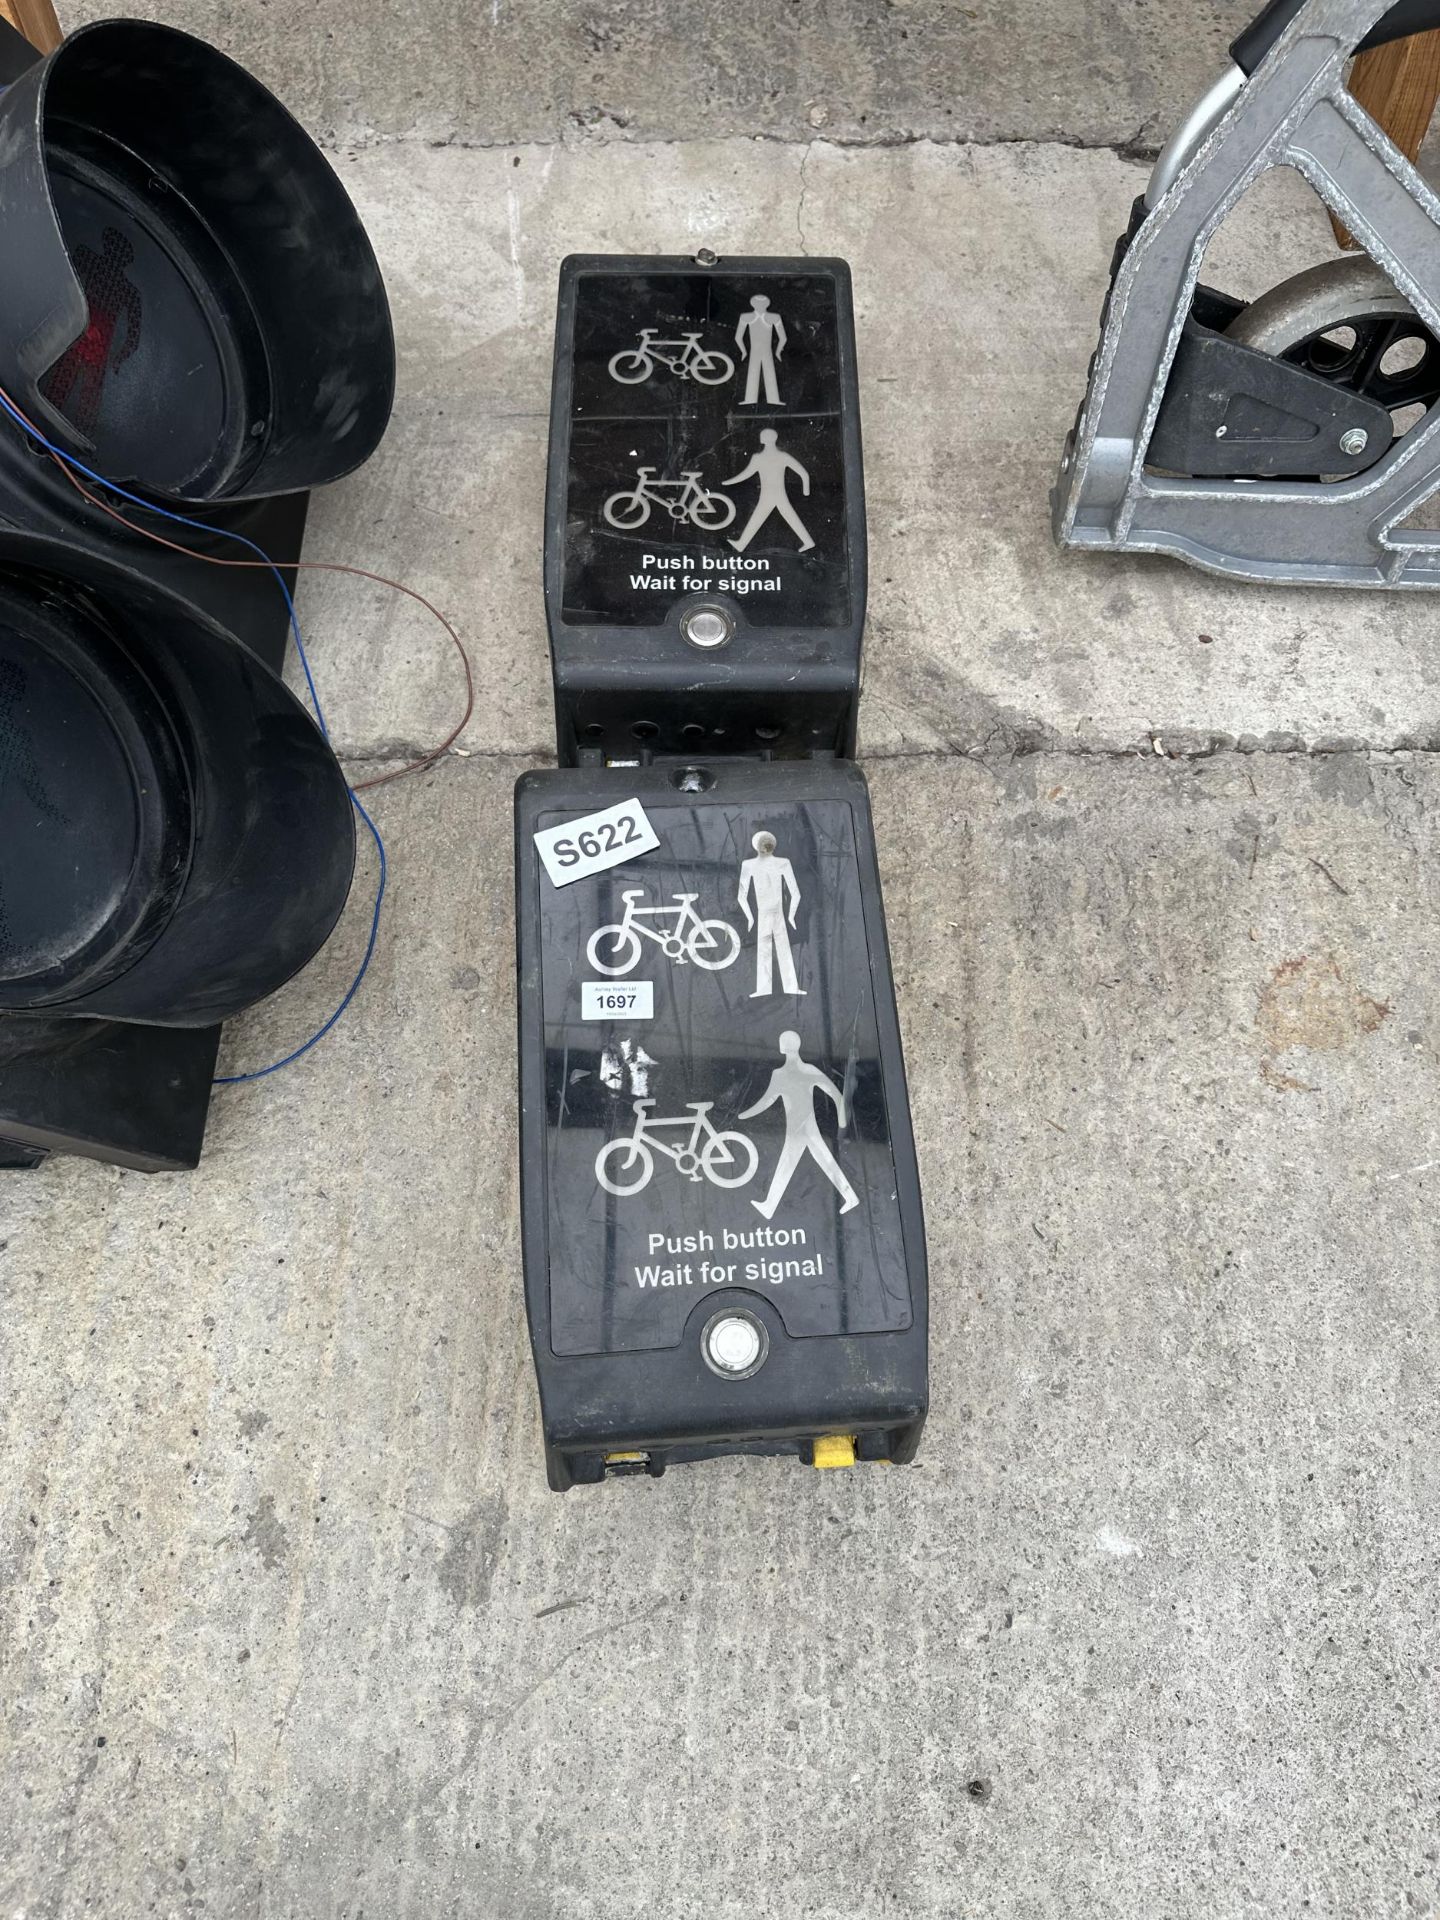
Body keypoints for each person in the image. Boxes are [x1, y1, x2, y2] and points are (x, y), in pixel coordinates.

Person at [740, 1031, 859, 1220]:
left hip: (801, 1128)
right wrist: (842, 1118)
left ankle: (769, 1207)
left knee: (794, 1164)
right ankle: (850, 1197)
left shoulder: (782, 1074)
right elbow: (836, 1094)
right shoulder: (807, 1070)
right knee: (816, 1162)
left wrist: (743, 1115)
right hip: (800, 1128)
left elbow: (766, 1102)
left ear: (782, 1047)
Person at [737, 829, 804, 998]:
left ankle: (766, 988)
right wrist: (791, 915)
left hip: (765, 912)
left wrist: (749, 917)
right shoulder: (782, 863)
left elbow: (741, 897)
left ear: (755, 846)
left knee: (765, 949)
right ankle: (788, 986)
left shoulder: (749, 865)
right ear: (773, 845)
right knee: (782, 948)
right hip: (776, 911)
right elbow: (796, 893)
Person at [726, 429, 814, 555]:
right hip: (774, 495)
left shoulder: (761, 458)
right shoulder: (781, 456)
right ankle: (808, 541)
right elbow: (803, 474)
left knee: (761, 518)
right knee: (787, 517)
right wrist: (805, 490)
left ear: (764, 439)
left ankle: (741, 543)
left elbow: (745, 475)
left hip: (770, 496)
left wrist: (730, 482)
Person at [735, 293, 787, 405]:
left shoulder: (773, 317)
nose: (760, 305)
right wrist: (743, 351)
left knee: (761, 371)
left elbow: (783, 338)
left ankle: (770, 399)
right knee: (759, 371)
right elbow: (738, 337)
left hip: (763, 350)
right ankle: (754, 399)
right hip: (759, 350)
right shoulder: (746, 317)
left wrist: (778, 351)